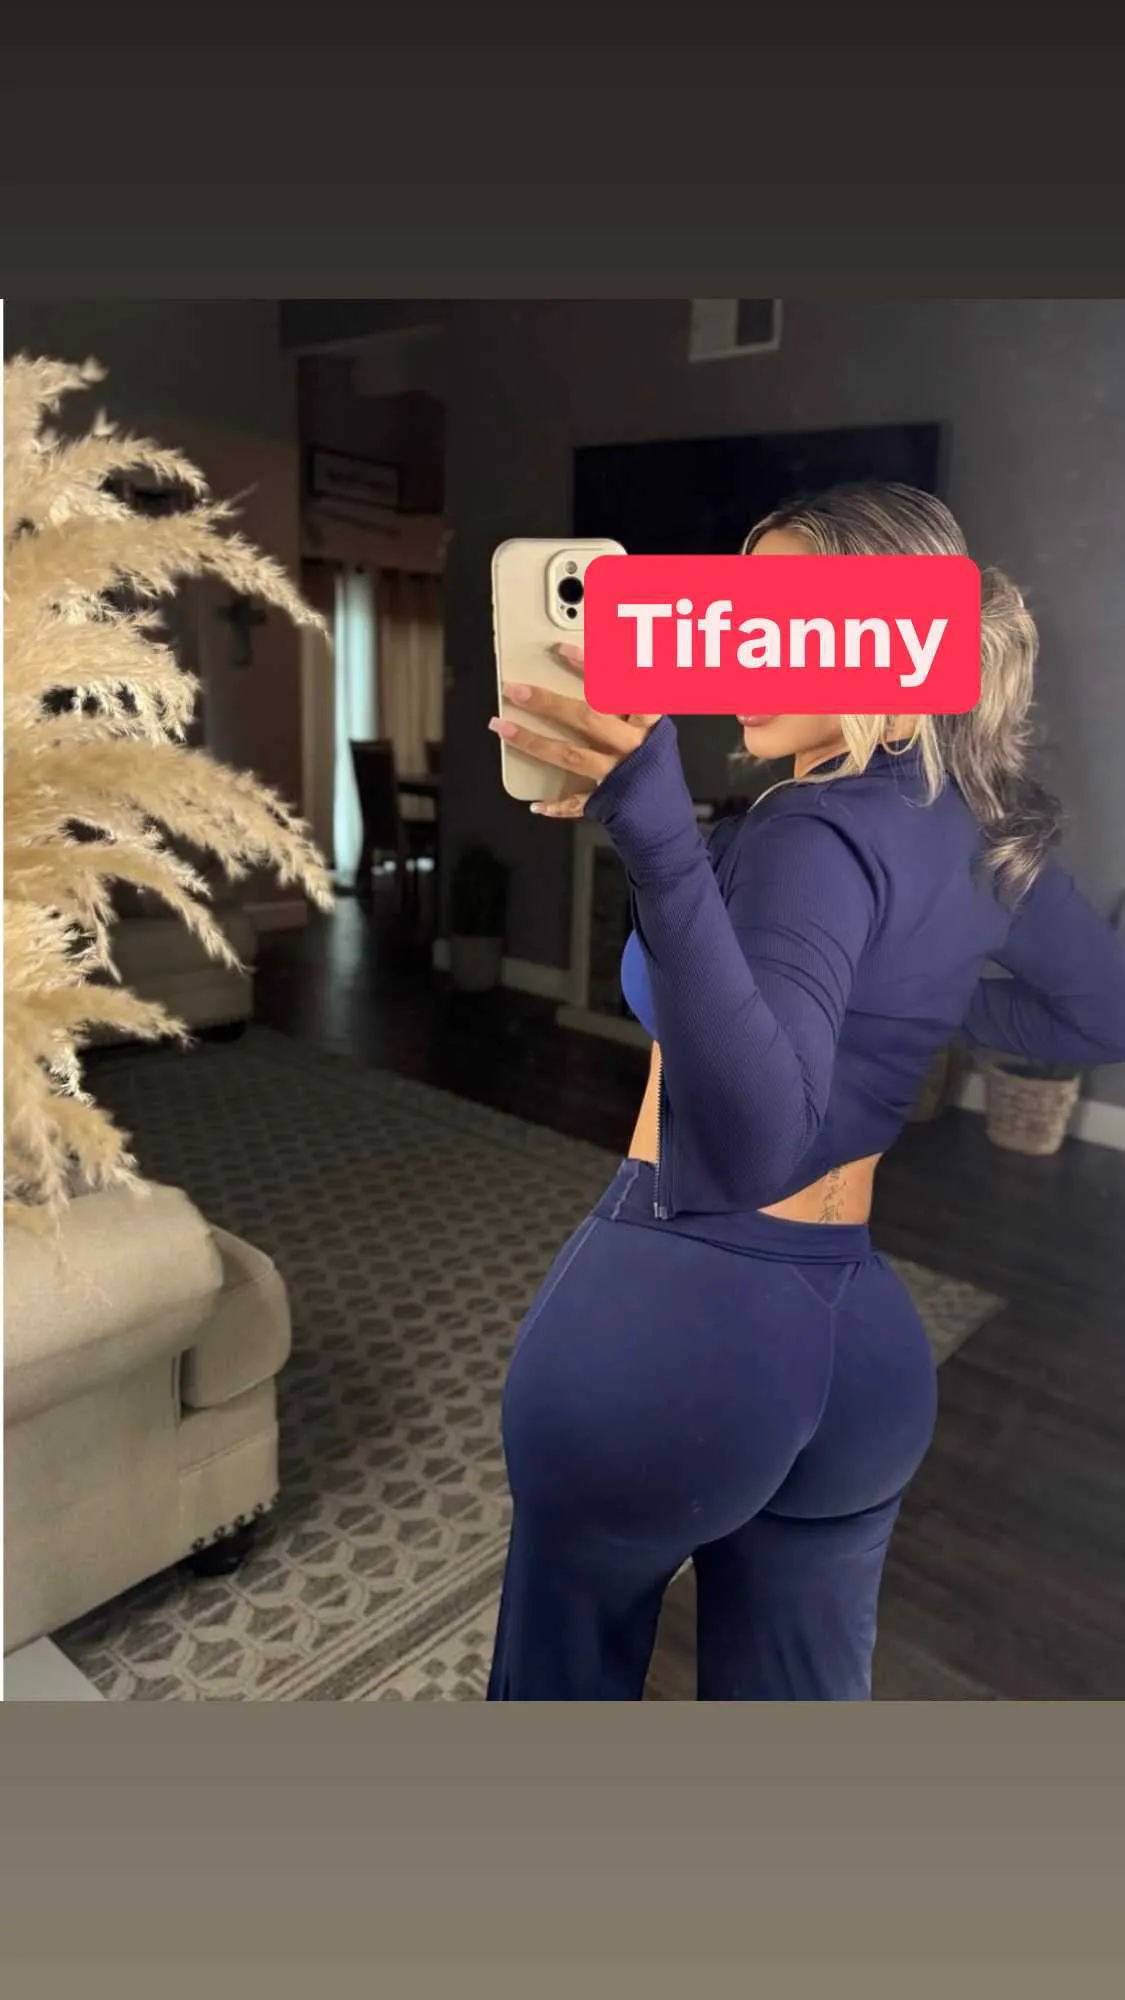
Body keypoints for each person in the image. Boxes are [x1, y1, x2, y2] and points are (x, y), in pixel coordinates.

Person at [483, 483, 1125, 1701]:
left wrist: (658, 834)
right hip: (862, 1350)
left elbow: (758, 1138)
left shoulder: (805, 831)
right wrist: (915, 1000)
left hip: (679, 1327)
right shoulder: (976, 827)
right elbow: (1104, 1011)